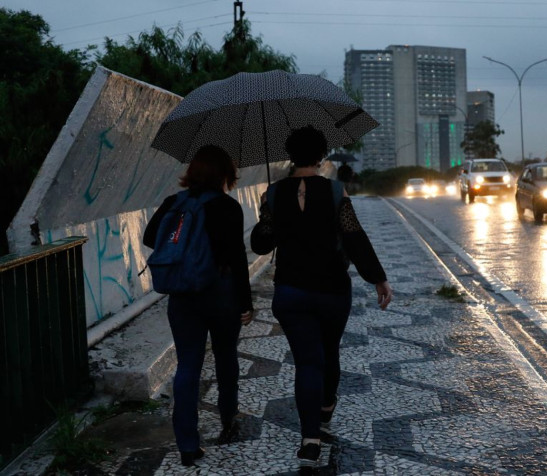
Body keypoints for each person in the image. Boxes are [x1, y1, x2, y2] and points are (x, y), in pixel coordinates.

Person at [250, 125, 393, 466]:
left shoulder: (273, 193)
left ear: (291, 155)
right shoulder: (335, 192)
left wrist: (266, 214)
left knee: (307, 362)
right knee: (328, 353)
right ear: (320, 156)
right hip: (331, 290)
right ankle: (326, 405)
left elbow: (260, 244)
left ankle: (310, 441)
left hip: (291, 291)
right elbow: (354, 236)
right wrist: (377, 278)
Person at [143, 145, 253, 467]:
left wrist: (184, 244)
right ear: (225, 174)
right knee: (225, 356)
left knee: (188, 365)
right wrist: (245, 302)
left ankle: (188, 445)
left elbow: (152, 238)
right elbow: (237, 259)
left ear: (192, 173)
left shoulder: (173, 203)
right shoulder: (228, 208)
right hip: (220, 292)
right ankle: (228, 418)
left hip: (183, 295)